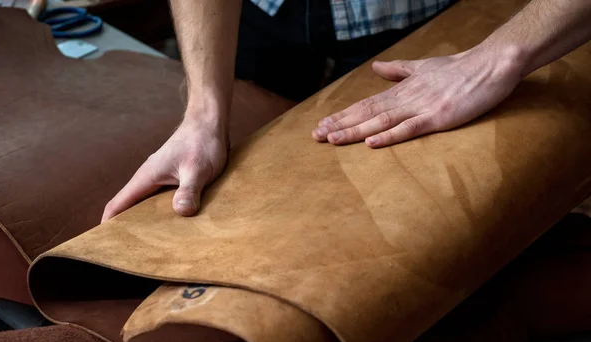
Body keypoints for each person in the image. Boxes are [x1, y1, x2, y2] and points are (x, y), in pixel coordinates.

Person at [102, 0, 591, 222]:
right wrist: (204, 115)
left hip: (430, 22)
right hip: (261, 12)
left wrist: (494, 60)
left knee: (407, 216)